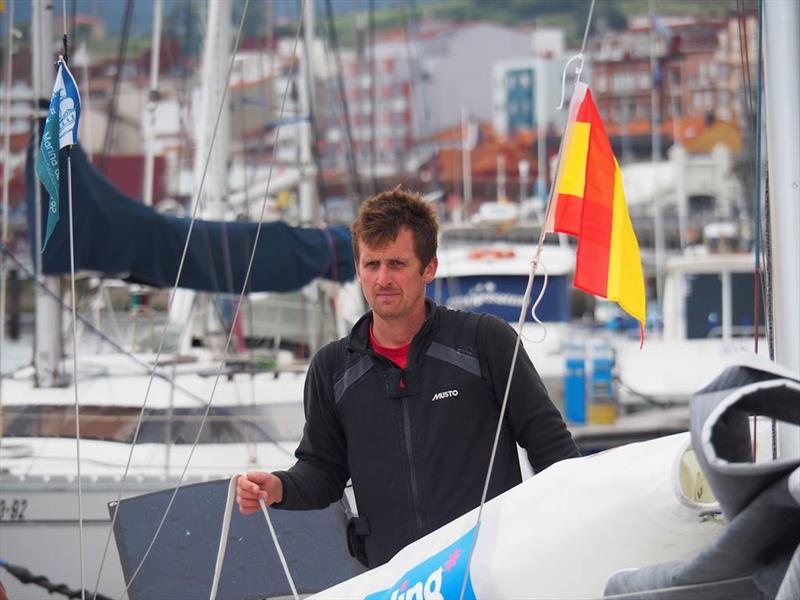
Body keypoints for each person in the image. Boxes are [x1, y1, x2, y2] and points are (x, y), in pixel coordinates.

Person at [237, 188, 579, 568]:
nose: (382, 279)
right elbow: (323, 470)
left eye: (397, 264)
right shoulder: (332, 368)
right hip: (395, 579)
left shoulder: (484, 343)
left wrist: (569, 535)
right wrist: (280, 487)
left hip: (487, 570)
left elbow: (552, 450)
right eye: (372, 265)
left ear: (428, 268)